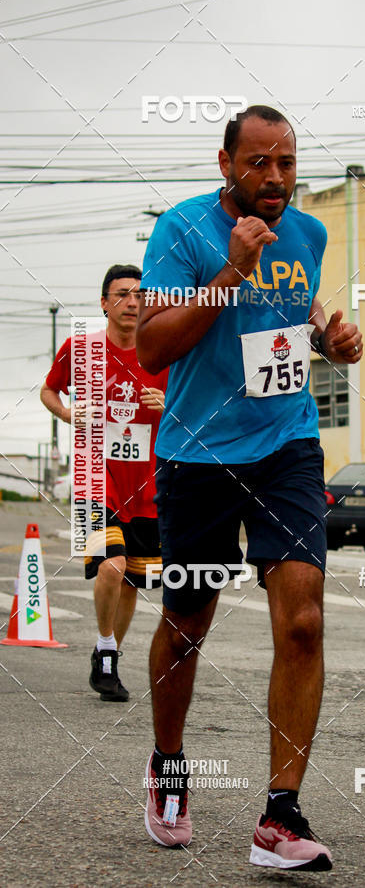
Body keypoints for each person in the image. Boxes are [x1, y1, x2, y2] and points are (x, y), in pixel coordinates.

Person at [137, 105, 362, 870]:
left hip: (287, 444)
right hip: (198, 454)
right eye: (259, 162)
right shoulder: (182, 230)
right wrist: (230, 269)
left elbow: (296, 305)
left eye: (287, 162)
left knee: (302, 617)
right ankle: (169, 766)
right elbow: (152, 346)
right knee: (188, 623)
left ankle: (282, 817)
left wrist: (329, 333)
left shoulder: (310, 233)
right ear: (225, 162)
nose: (275, 178)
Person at [40, 264, 167, 702]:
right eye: (122, 294)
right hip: (95, 481)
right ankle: (108, 651)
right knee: (110, 566)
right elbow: (49, 391)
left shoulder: (160, 354)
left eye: (139, 294)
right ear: (104, 303)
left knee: (132, 579)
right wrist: (70, 413)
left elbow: (191, 411)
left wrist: (167, 405)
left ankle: (105, 650)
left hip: (148, 489)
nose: (132, 302)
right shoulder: (82, 349)